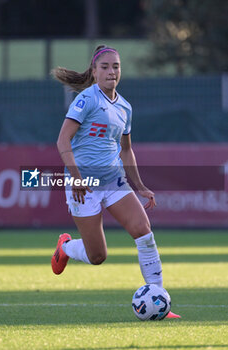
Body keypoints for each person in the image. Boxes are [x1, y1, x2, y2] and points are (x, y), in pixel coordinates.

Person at [51, 45, 180, 319]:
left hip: (113, 179)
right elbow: (62, 141)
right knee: (97, 256)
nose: (112, 71)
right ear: (95, 72)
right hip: (83, 183)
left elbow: (126, 149)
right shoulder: (86, 100)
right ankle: (65, 247)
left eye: (116, 66)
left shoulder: (124, 107)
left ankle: (159, 300)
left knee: (143, 230)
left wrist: (139, 185)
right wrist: (76, 178)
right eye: (106, 67)